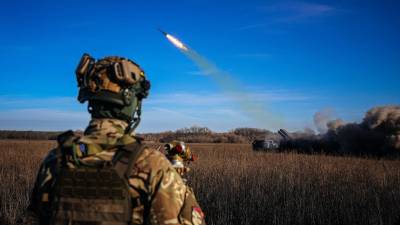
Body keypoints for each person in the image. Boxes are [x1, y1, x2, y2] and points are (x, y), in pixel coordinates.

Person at [19, 54, 205, 225]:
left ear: (91, 99)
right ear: (131, 102)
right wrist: (183, 190)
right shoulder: (151, 165)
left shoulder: (56, 160)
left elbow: (32, 217)